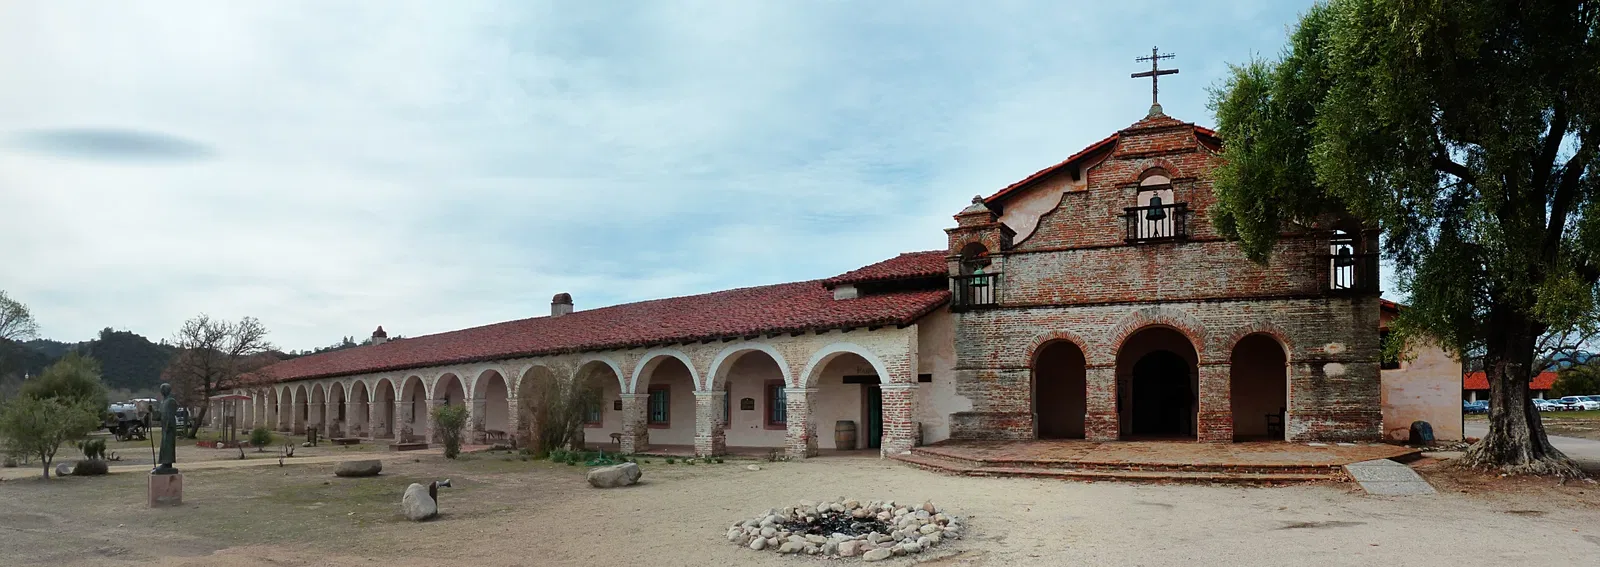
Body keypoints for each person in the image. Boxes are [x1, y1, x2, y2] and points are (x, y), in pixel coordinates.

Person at [154, 383, 179, 474]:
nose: (162, 392)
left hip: (169, 428)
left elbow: (171, 416)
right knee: (164, 446)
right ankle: (164, 463)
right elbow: (159, 416)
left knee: (168, 446)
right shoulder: (163, 402)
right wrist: (151, 411)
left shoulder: (171, 401)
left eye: (163, 389)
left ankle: (168, 464)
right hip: (164, 428)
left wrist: (169, 426)